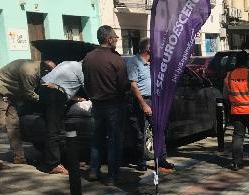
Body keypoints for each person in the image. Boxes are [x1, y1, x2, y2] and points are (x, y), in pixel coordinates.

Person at [0, 59, 55, 170]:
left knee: (14, 124)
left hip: (10, 93)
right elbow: (29, 94)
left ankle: (19, 158)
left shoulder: (39, 68)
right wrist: (46, 100)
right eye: (51, 72)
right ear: (45, 69)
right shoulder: (30, 72)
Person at [83, 25, 130, 186]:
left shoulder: (88, 58)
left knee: (97, 139)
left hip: (96, 104)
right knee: (114, 140)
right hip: (114, 105)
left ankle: (94, 171)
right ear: (109, 39)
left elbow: (86, 83)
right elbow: (124, 85)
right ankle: (113, 175)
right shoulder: (115, 59)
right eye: (116, 37)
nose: (117, 40)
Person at [125, 38, 175, 174]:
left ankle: (161, 159)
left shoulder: (152, 63)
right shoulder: (134, 62)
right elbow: (133, 85)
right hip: (141, 101)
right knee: (140, 132)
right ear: (149, 49)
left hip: (155, 100)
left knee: (160, 129)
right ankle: (141, 161)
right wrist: (143, 105)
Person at [38, 60, 85, 174]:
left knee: (51, 128)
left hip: (43, 89)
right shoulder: (83, 70)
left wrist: (73, 97)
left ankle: (61, 160)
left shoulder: (66, 63)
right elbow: (88, 88)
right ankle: (54, 164)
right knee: (54, 130)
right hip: (55, 95)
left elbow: (61, 81)